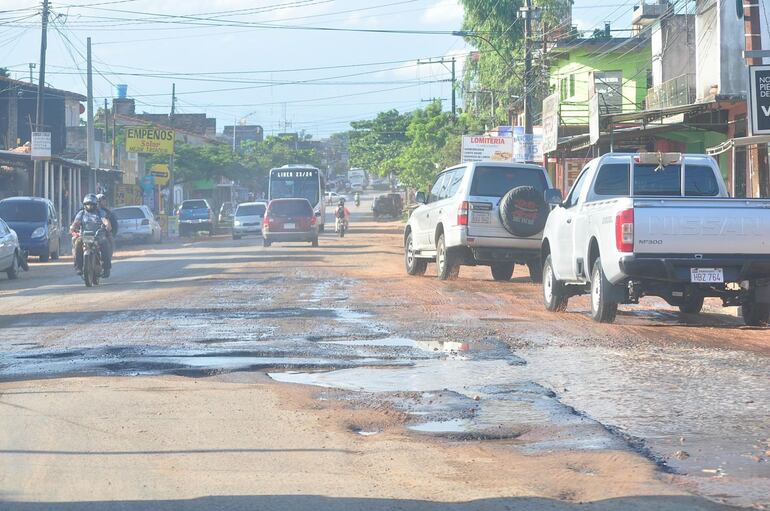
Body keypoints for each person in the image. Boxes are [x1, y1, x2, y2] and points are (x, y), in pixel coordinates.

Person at [70, 194, 112, 277]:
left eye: (91, 204)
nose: (89, 206)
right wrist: (73, 227)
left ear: (95, 205)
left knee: (105, 244)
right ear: (84, 205)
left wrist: (107, 225)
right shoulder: (81, 213)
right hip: (85, 236)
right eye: (87, 204)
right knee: (77, 244)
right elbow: (76, 222)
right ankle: (78, 267)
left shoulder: (100, 212)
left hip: (98, 236)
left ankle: (106, 268)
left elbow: (105, 220)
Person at [97, 194, 118, 277]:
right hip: (89, 234)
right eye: (99, 201)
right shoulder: (87, 211)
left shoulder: (107, 212)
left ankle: (106, 267)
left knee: (109, 243)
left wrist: (111, 233)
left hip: (103, 234)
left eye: (102, 200)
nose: (101, 202)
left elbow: (114, 225)